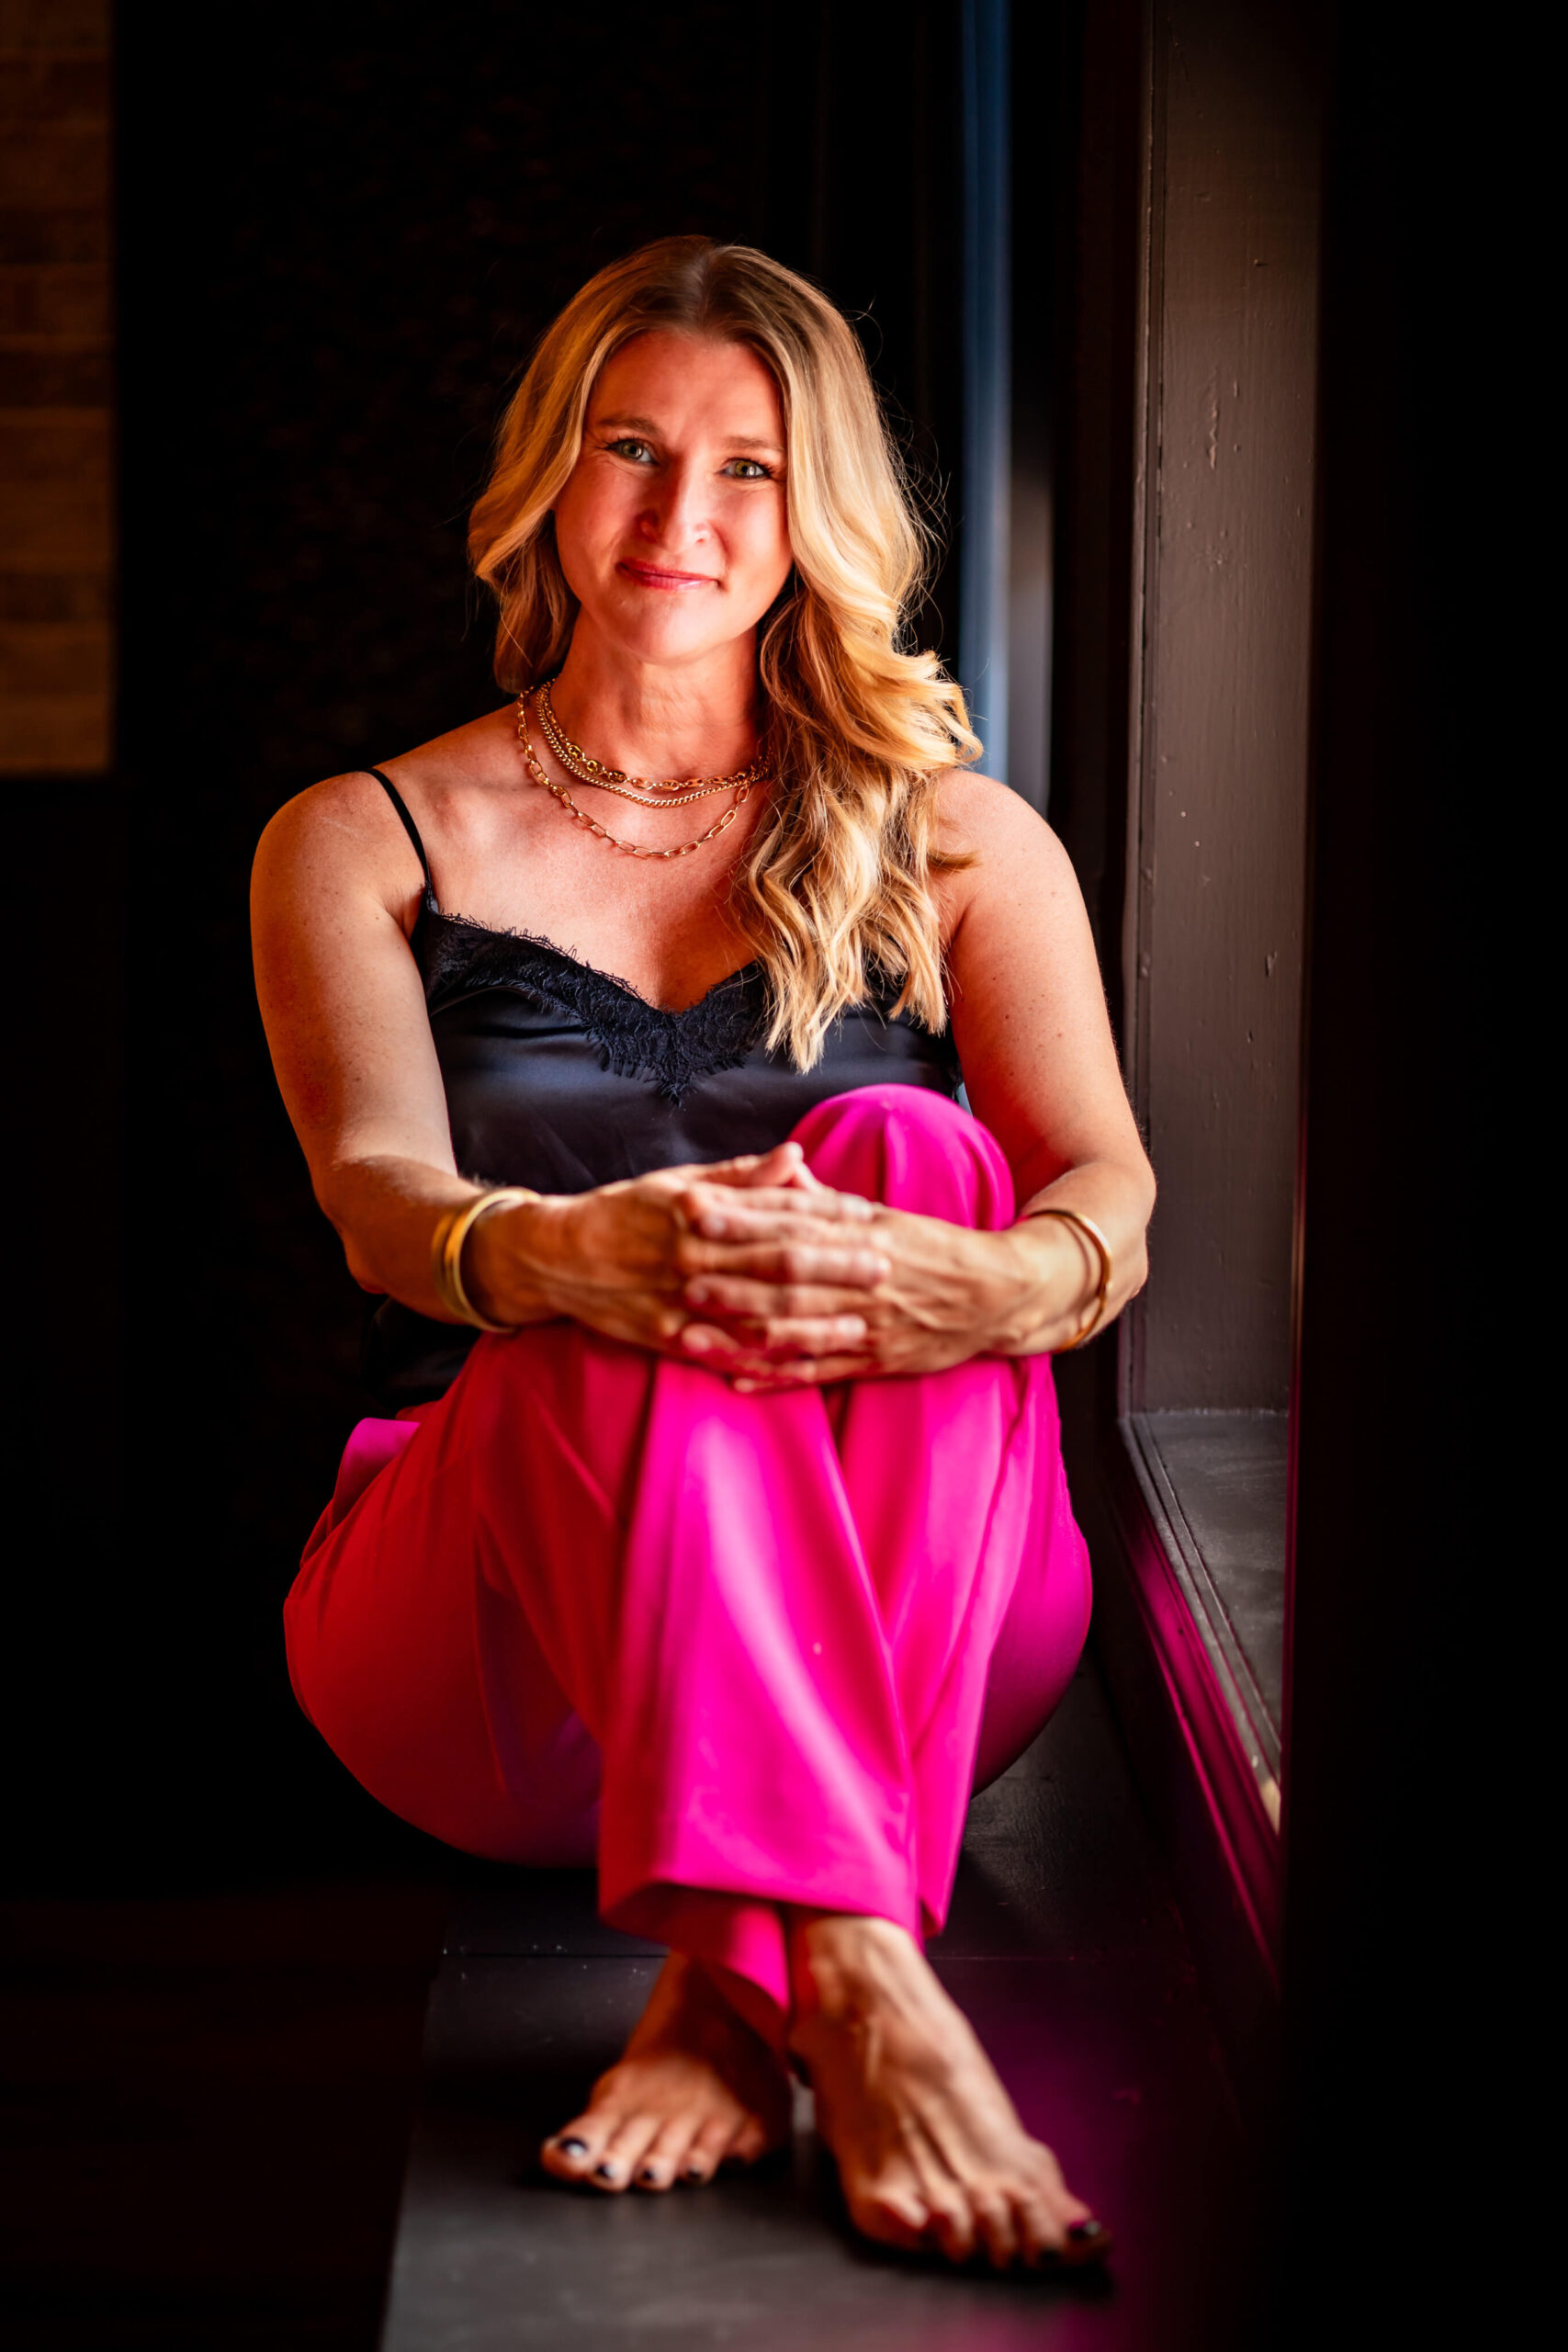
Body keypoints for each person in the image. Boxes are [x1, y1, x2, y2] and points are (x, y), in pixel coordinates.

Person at [252, 236, 1155, 2274]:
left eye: (748, 466)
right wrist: (564, 1252)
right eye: (632, 448)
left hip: (911, 1634)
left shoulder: (958, 837)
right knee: (587, 1288)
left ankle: (728, 1996)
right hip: (491, 1636)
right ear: (548, 478)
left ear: (818, 506)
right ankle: (853, 1975)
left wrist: (1005, 1282)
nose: (683, 513)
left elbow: (1101, 1183)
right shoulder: (360, 836)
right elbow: (378, 1196)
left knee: (921, 1152)